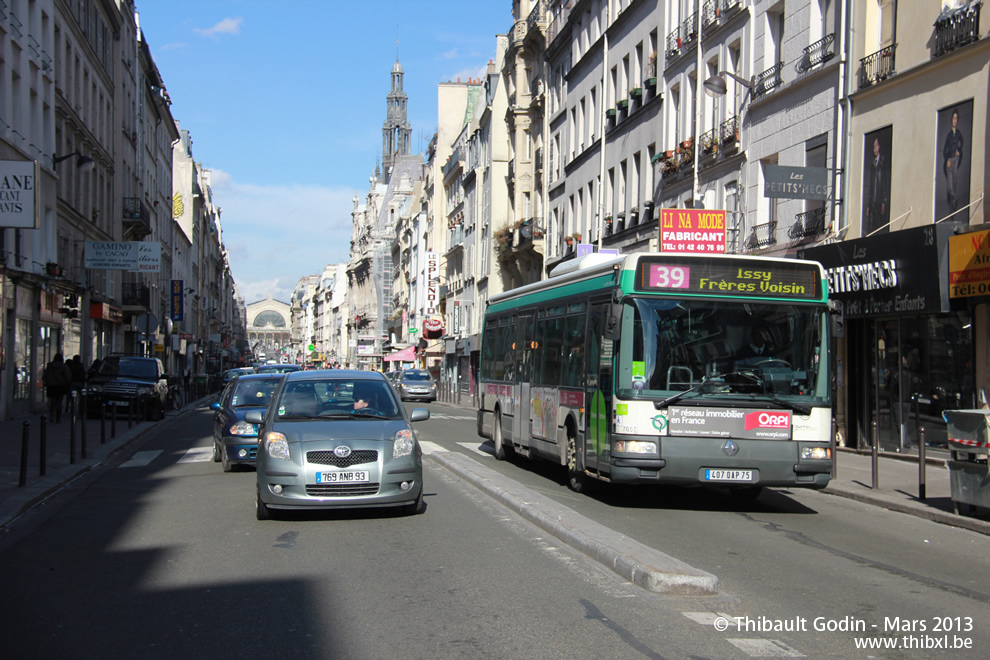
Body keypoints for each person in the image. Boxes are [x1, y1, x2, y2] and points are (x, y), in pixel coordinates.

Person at [865, 136, 889, 234]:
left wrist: (884, 201)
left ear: (879, 147)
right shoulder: (872, 163)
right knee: (871, 227)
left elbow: (885, 182)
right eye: (873, 147)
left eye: (876, 146)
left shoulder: (883, 161)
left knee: (879, 225)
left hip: (880, 201)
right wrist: (868, 205)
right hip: (873, 202)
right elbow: (871, 184)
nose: (874, 149)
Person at [942, 108, 964, 213]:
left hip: (955, 160)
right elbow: (944, 150)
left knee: (954, 186)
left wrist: (959, 150)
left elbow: (962, 143)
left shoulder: (958, 133)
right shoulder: (949, 135)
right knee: (950, 188)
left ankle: (953, 206)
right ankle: (954, 200)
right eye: (953, 118)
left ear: (957, 120)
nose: (954, 120)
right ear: (951, 120)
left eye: (956, 118)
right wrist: (947, 160)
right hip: (950, 161)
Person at [42, 353, 72, 423]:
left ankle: (52, 414)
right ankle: (58, 418)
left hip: (51, 386)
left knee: (52, 402)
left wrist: (46, 382)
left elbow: (44, 376)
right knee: (59, 402)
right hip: (60, 386)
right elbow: (68, 377)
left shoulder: (49, 366)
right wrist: (67, 383)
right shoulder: (63, 367)